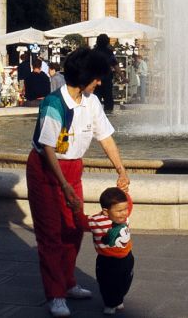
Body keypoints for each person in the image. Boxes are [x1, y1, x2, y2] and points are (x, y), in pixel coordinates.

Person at [26, 48, 130, 318]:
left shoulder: (91, 101)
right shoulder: (53, 103)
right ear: (84, 76)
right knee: (50, 234)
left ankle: (68, 282)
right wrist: (64, 186)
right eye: (96, 78)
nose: (99, 83)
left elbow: (105, 137)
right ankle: (55, 294)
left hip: (73, 168)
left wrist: (121, 169)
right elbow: (47, 148)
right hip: (48, 171)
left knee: (73, 228)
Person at [79, 187, 135, 315]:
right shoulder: (95, 221)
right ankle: (110, 303)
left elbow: (129, 204)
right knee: (106, 283)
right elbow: (80, 221)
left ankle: (118, 297)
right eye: (119, 211)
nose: (124, 213)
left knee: (126, 279)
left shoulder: (125, 214)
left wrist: (124, 190)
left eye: (125, 209)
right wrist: (75, 208)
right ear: (105, 211)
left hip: (127, 257)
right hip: (106, 260)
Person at [94, 35, 118, 113]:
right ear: (107, 42)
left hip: (95, 79)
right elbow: (115, 65)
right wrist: (123, 77)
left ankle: (95, 113)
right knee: (108, 98)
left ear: (97, 41)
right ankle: (108, 113)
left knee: (95, 98)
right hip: (107, 78)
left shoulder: (93, 52)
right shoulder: (109, 53)